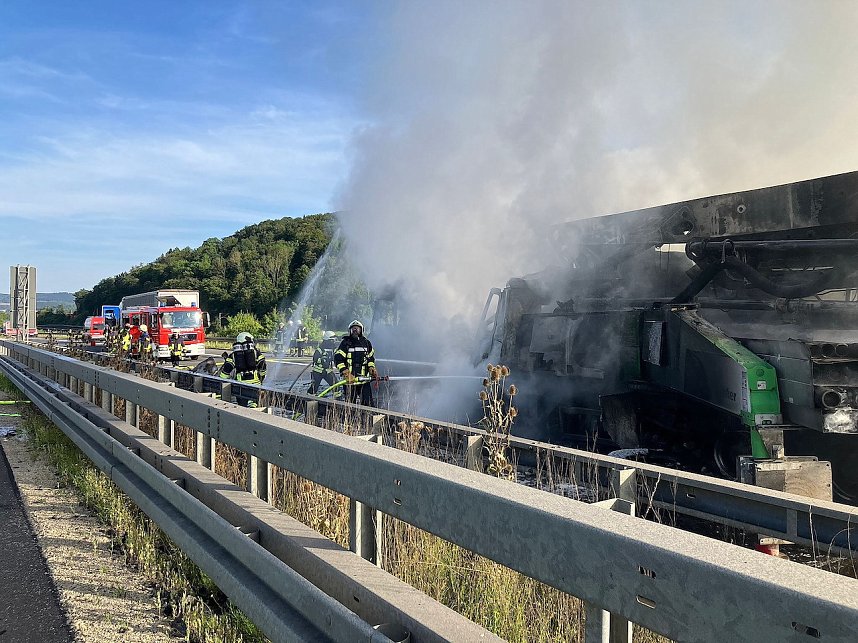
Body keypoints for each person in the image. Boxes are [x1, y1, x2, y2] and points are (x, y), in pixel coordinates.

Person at [334, 320, 378, 406]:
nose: (355, 330)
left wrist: (371, 368)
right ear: (349, 331)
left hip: (364, 381)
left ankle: (366, 419)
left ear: (361, 330)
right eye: (353, 328)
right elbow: (338, 359)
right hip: (350, 381)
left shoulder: (366, 343)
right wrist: (345, 372)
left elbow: (370, 359)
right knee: (350, 406)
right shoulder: (345, 343)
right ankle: (349, 419)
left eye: (357, 328)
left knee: (368, 404)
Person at [219, 332, 267, 406]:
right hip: (256, 387)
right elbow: (263, 370)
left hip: (241, 387)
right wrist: (260, 380)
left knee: (242, 409)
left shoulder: (234, 355)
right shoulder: (257, 354)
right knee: (256, 409)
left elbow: (224, 374)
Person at [309, 331, 338, 395]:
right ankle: (309, 398)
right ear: (328, 340)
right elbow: (315, 359)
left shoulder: (333, 349)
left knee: (335, 385)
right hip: (318, 372)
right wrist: (322, 360)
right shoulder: (320, 349)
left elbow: (336, 358)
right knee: (314, 387)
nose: (334, 342)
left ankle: (338, 398)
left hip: (328, 371)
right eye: (332, 340)